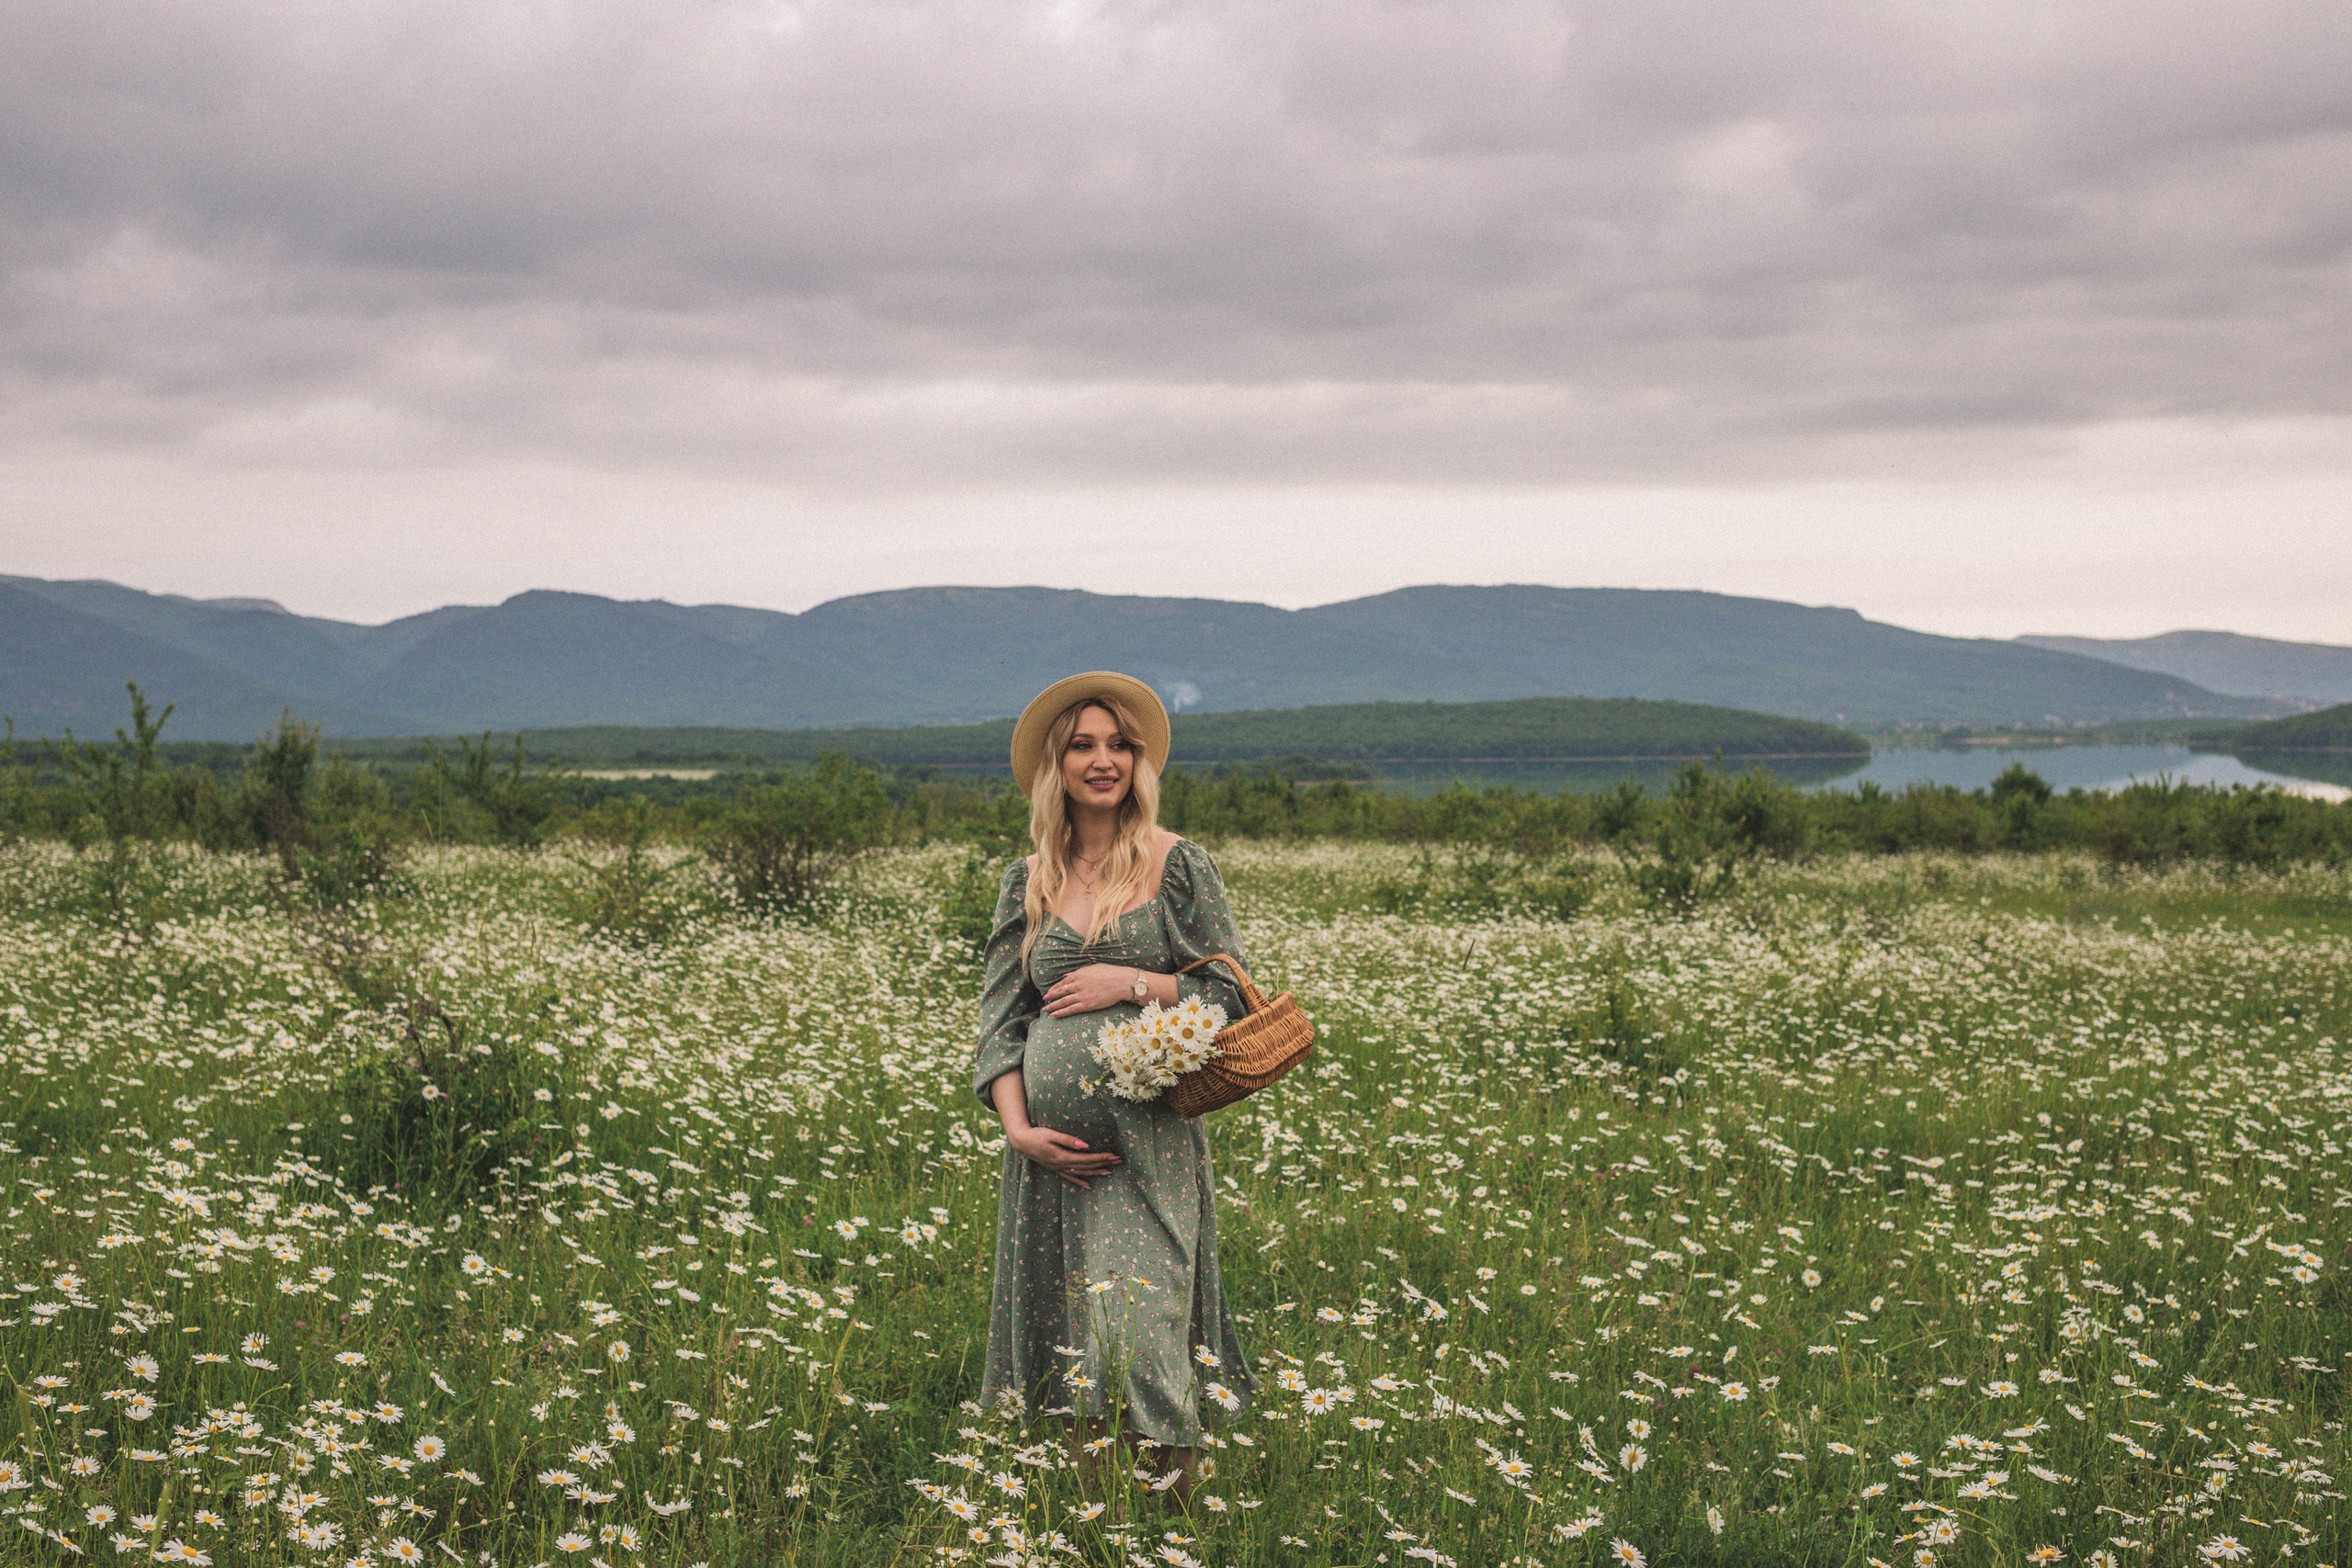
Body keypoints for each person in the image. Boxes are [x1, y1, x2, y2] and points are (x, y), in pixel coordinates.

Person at [973, 671, 1257, 1502]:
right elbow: (1001, 1024)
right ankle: (1094, 1518)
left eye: (1118, 744)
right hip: (1053, 1155)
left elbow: (1231, 993)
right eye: (1082, 746)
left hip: (1148, 1142)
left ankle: (1174, 1513)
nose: (1103, 760)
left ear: (1138, 760)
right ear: (1056, 767)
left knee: (1135, 1317)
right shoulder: (1027, 879)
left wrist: (1125, 980)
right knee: (1070, 1328)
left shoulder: (1177, 866)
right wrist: (1019, 1131)